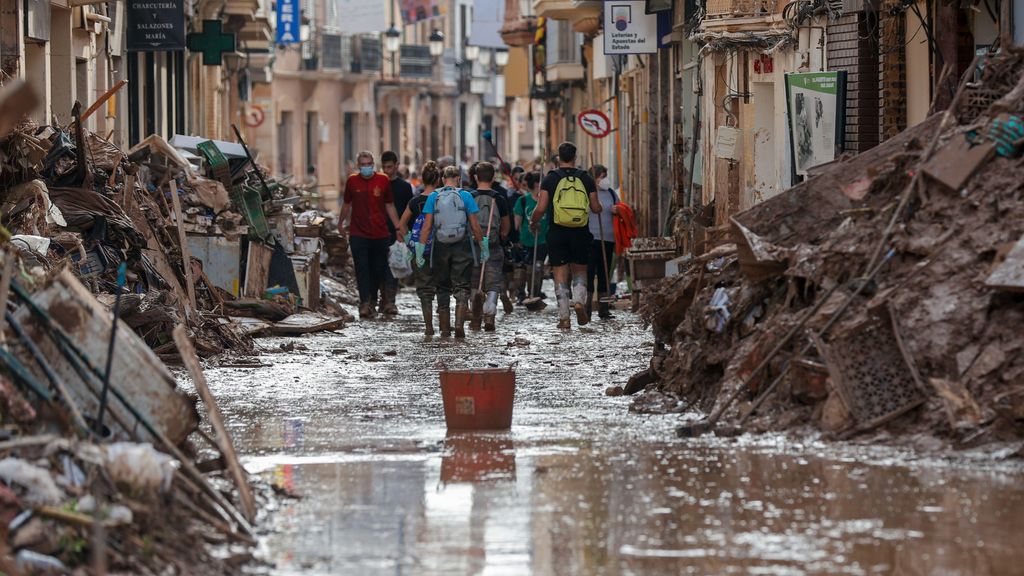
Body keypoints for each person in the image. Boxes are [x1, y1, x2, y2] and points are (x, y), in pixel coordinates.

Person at [529, 142, 601, 330]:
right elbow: (595, 208)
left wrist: (533, 221)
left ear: (558, 158)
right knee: (579, 271)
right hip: (580, 231)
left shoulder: (550, 179)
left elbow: (541, 208)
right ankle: (578, 301)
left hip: (557, 231)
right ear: (575, 157)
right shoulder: (586, 178)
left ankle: (564, 318)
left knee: (560, 275)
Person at [416, 165, 485, 339]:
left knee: (442, 286)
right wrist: (483, 247)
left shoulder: (433, 196)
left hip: (440, 246)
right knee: (462, 285)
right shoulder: (466, 196)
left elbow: (427, 226)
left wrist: (420, 250)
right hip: (462, 245)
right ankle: (459, 324)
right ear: (459, 178)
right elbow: (475, 226)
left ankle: (445, 329)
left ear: (442, 179)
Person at [341, 151, 400, 319]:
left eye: (369, 164)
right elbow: (346, 204)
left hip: (380, 233)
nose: (366, 167)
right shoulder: (352, 181)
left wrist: (398, 228)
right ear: (358, 166)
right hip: (358, 232)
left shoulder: (383, 180)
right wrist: (340, 223)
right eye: (363, 164)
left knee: (377, 269)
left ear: (373, 164)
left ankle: (373, 300)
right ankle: (365, 303)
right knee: (361, 269)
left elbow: (389, 205)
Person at [398, 160, 440, 337]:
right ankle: (446, 326)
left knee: (424, 289)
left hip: (419, 251)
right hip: (441, 250)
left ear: (422, 180)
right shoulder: (441, 199)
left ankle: (428, 326)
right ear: (438, 180)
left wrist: (410, 243)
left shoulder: (414, 202)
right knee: (443, 288)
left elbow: (401, 225)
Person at [469, 162, 511, 331]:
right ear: (493, 177)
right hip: (493, 246)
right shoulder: (499, 198)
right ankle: (490, 316)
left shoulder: (469, 197)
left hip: (473, 247)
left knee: (474, 282)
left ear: (475, 177)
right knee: (493, 282)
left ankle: (475, 317)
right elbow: (506, 227)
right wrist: (501, 236)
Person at [378, 151, 414, 316]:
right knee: (379, 266)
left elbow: (410, 210)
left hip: (396, 233)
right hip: (378, 231)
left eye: (390, 167)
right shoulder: (378, 185)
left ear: (396, 165)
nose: (387, 170)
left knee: (394, 266)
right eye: (384, 167)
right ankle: (382, 299)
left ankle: (390, 301)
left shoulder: (404, 187)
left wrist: (407, 232)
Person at [587, 164, 619, 320]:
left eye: (605, 176)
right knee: (589, 272)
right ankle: (586, 307)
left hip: (608, 239)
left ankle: (603, 309)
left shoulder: (611, 193)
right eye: (602, 176)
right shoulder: (587, 193)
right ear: (594, 178)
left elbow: (621, 208)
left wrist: (617, 210)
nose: (605, 179)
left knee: (604, 273)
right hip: (591, 239)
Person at [513, 171, 548, 300]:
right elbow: (517, 223)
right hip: (525, 241)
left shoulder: (546, 201)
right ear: (536, 184)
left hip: (542, 240)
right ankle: (521, 295)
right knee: (524, 270)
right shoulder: (522, 201)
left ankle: (535, 293)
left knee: (538, 269)